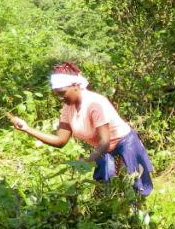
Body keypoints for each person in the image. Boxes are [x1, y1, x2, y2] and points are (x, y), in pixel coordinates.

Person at [10, 62, 154, 196]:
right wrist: (27, 128)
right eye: (57, 94)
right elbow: (60, 141)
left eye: (62, 93)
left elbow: (105, 141)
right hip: (104, 151)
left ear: (75, 86)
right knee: (105, 192)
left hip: (125, 145)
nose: (60, 98)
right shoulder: (67, 109)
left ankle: (135, 220)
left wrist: (88, 161)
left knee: (130, 189)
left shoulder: (94, 104)